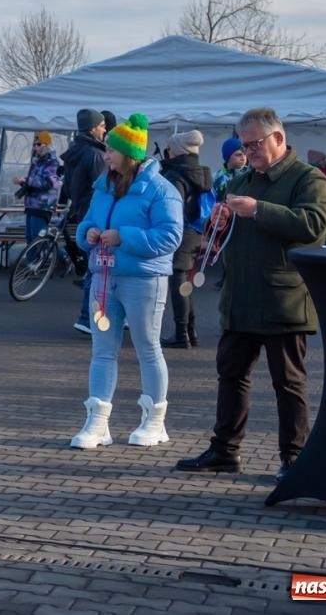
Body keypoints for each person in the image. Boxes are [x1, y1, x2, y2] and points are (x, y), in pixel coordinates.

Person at [176, 108, 326, 481]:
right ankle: (224, 449)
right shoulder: (242, 180)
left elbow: (313, 225)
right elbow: (230, 232)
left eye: (254, 144)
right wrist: (220, 222)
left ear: (278, 138)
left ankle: (295, 457)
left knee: (288, 382)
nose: (248, 152)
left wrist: (258, 210)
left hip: (283, 298)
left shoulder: (308, 179)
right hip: (241, 296)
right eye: (244, 146)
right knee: (230, 374)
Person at [69, 114, 182, 450]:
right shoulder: (102, 186)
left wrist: (125, 237)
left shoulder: (161, 190)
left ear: (130, 154)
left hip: (144, 280)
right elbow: (86, 221)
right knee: (102, 350)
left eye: (111, 150)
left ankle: (154, 420)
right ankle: (97, 422)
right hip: (103, 278)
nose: (106, 155)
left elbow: (170, 236)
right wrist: (87, 233)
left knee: (148, 347)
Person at [158, 130, 212, 350]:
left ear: (176, 151)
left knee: (178, 282)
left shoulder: (176, 174)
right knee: (185, 281)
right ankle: (190, 331)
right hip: (196, 232)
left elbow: (173, 207)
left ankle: (181, 334)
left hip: (181, 232)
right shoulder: (201, 172)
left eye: (169, 149)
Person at [60, 109, 109, 334]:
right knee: (97, 270)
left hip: (81, 212)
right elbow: (105, 188)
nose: (105, 129)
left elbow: (68, 187)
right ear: (92, 128)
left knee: (95, 268)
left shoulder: (74, 151)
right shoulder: (95, 155)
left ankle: (95, 317)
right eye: (102, 125)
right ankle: (87, 318)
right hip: (95, 216)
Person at [13, 131, 62, 242]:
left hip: (42, 206)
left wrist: (26, 180)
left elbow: (50, 183)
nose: (36, 147)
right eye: (34, 144)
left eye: (39, 144)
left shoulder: (52, 162)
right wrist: (22, 182)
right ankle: (35, 255)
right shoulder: (37, 161)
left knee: (37, 240)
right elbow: (34, 183)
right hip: (32, 205)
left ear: (47, 144)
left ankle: (54, 253)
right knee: (30, 239)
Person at [213, 136, 248, 201]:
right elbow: (210, 201)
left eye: (245, 154)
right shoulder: (217, 177)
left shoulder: (250, 174)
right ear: (228, 157)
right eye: (238, 155)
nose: (243, 158)